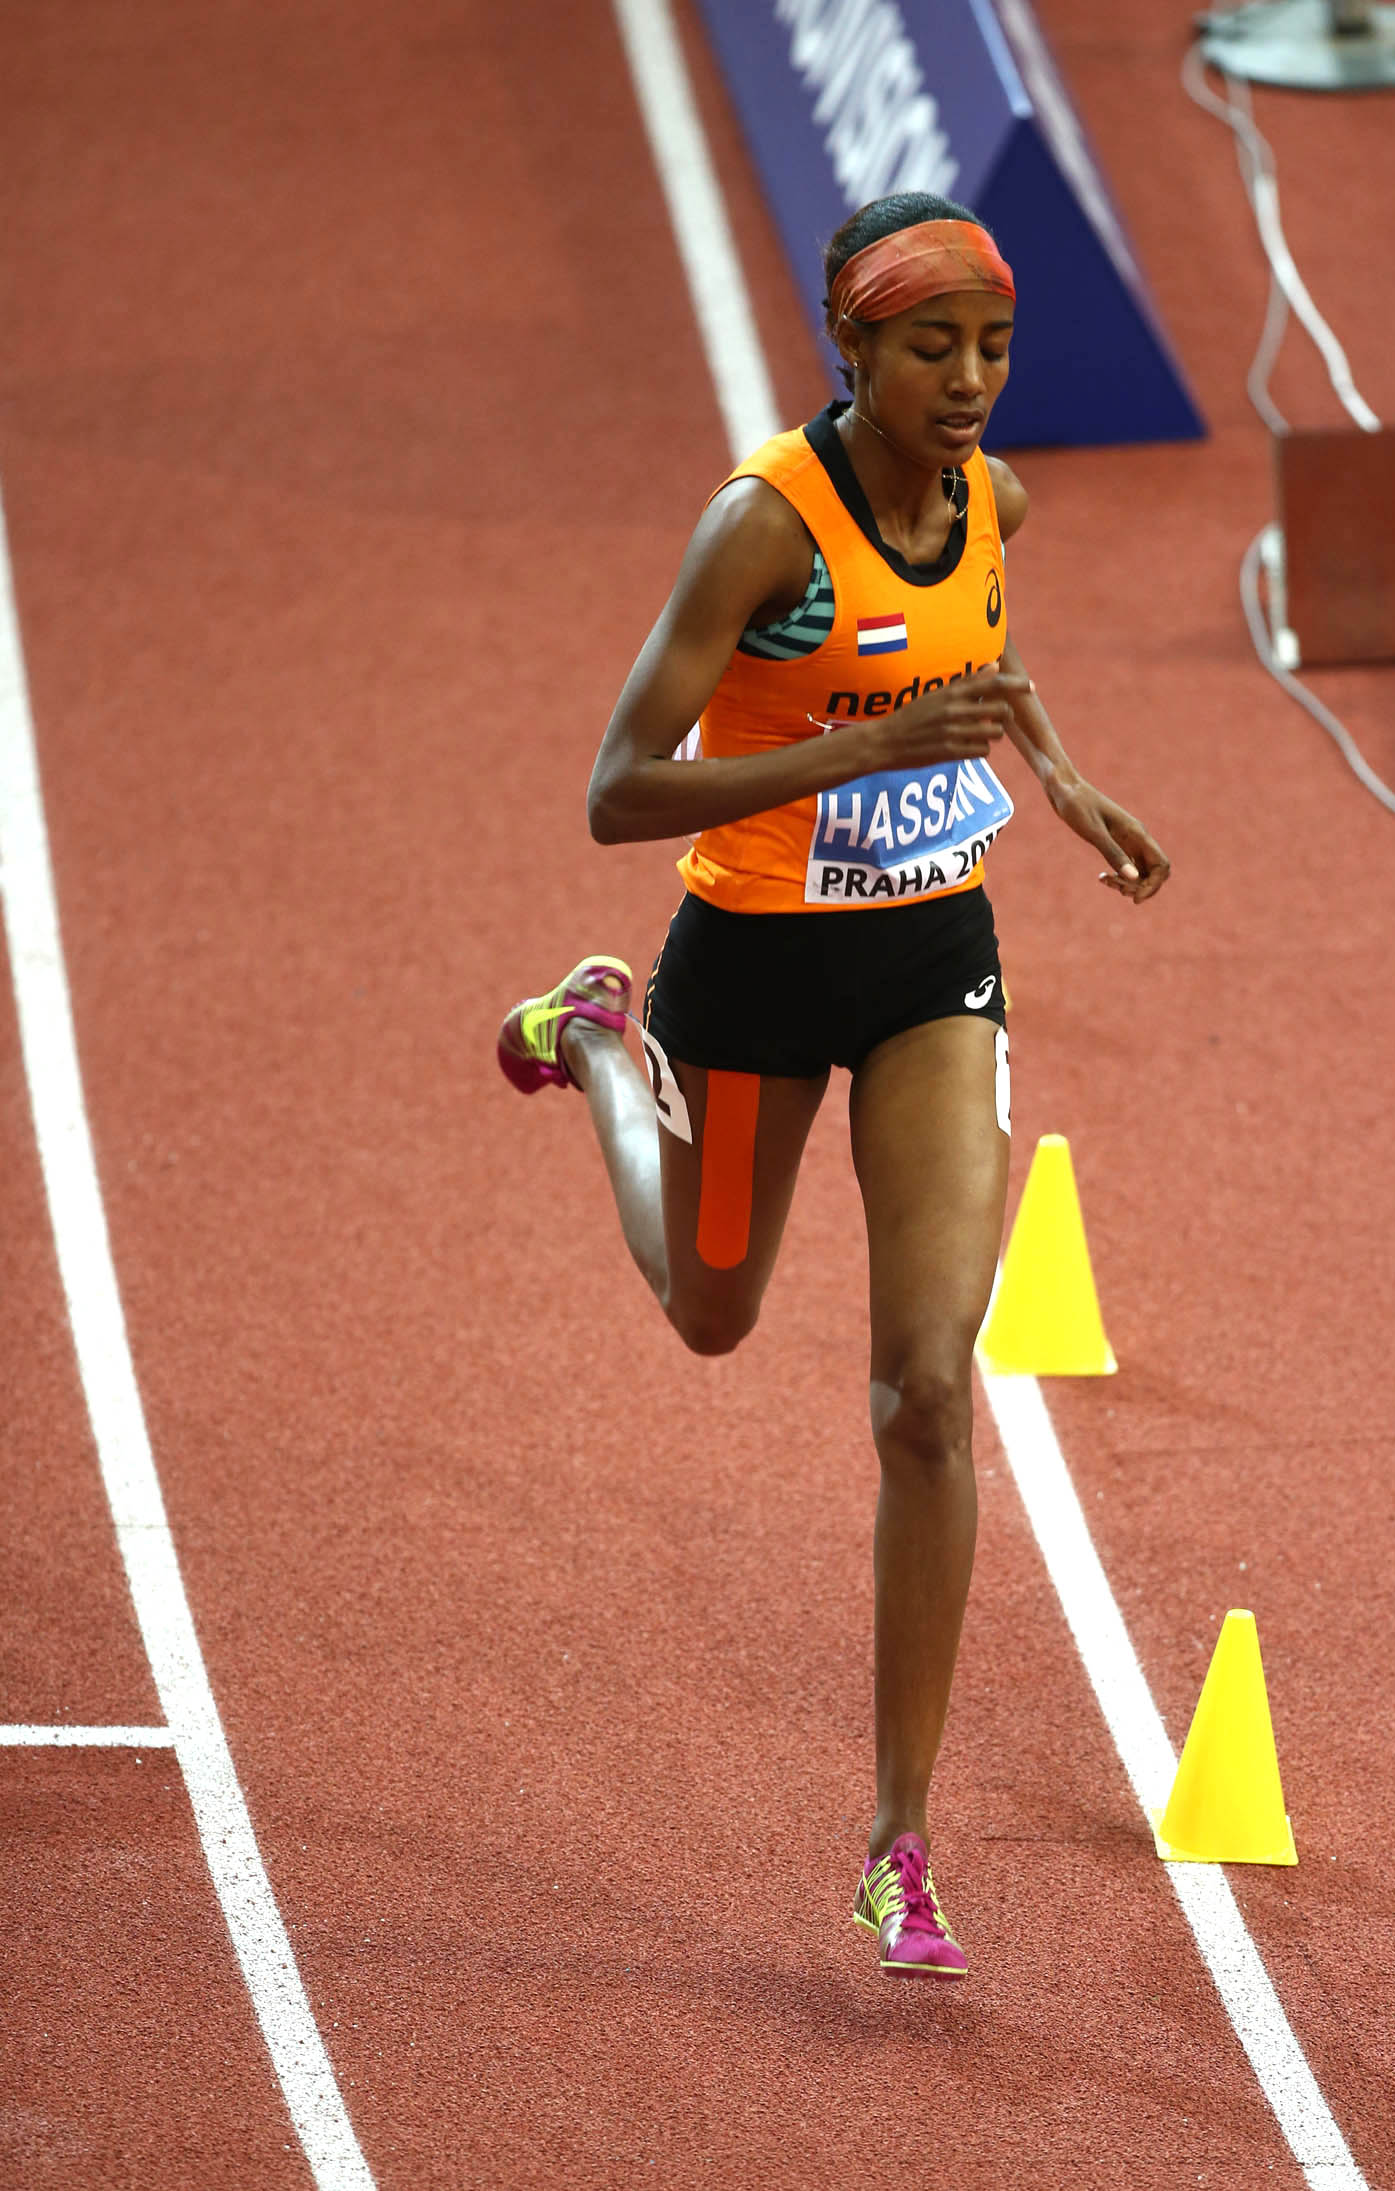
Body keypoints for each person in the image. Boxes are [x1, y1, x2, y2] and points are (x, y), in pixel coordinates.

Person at [498, 191, 1169, 1979]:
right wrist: (851, 755)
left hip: (933, 959)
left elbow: (979, 659)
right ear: (850, 346)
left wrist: (1060, 775)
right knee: (711, 1313)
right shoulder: (763, 530)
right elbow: (618, 786)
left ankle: (899, 1839)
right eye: (931, 348)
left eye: (993, 348)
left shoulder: (990, 501)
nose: (970, 382)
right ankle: (598, 1043)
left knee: (929, 1394)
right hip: (752, 965)